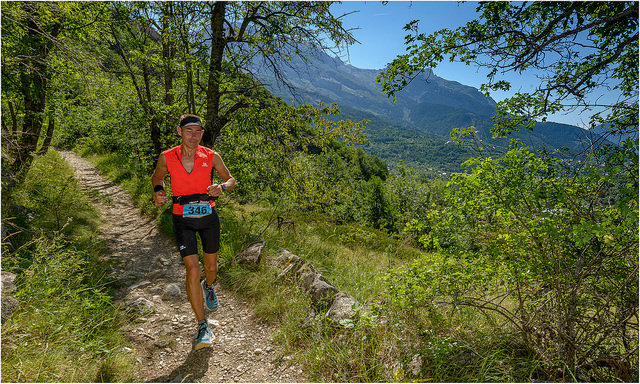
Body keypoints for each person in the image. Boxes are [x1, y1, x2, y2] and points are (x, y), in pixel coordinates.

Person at [151, 114, 236, 351]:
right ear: (179, 132)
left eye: (198, 132)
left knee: (210, 268)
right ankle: (202, 325)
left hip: (208, 217)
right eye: (188, 131)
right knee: (193, 268)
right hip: (182, 218)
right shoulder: (167, 157)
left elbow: (231, 179)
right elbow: (157, 177)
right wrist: (159, 191)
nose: (193, 136)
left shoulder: (210, 156)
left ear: (202, 133)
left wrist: (221, 187)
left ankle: (209, 287)